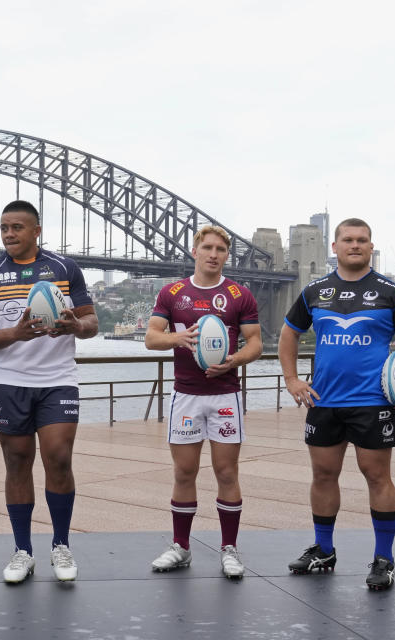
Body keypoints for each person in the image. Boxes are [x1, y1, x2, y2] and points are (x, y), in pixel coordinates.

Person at [278, 217, 395, 590]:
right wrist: (292, 379)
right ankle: (324, 550)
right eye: (348, 240)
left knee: (377, 476)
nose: (355, 245)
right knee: (322, 475)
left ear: (370, 247)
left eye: (362, 240)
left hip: (372, 401)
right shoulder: (314, 291)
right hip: (325, 400)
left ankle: (384, 559)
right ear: (334, 248)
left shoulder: (391, 292)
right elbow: (288, 335)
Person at [0, 200, 98, 583]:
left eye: (17, 227)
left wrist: (76, 326)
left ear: (36, 231)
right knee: (17, 461)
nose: (9, 234)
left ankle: (61, 545)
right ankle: (23, 550)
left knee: (58, 457)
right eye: (4, 227)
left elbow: (91, 322)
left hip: (58, 378)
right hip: (9, 380)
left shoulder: (64, 269)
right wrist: (15, 334)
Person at [144, 225, 262, 579]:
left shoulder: (240, 295)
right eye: (207, 247)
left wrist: (236, 360)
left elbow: (255, 343)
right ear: (195, 251)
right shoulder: (173, 292)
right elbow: (151, 338)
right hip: (186, 395)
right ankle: (181, 546)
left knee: (227, 472)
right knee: (184, 472)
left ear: (227, 255)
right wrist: (177, 337)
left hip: (225, 394)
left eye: (220, 249)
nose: (213, 254)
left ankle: (229, 548)